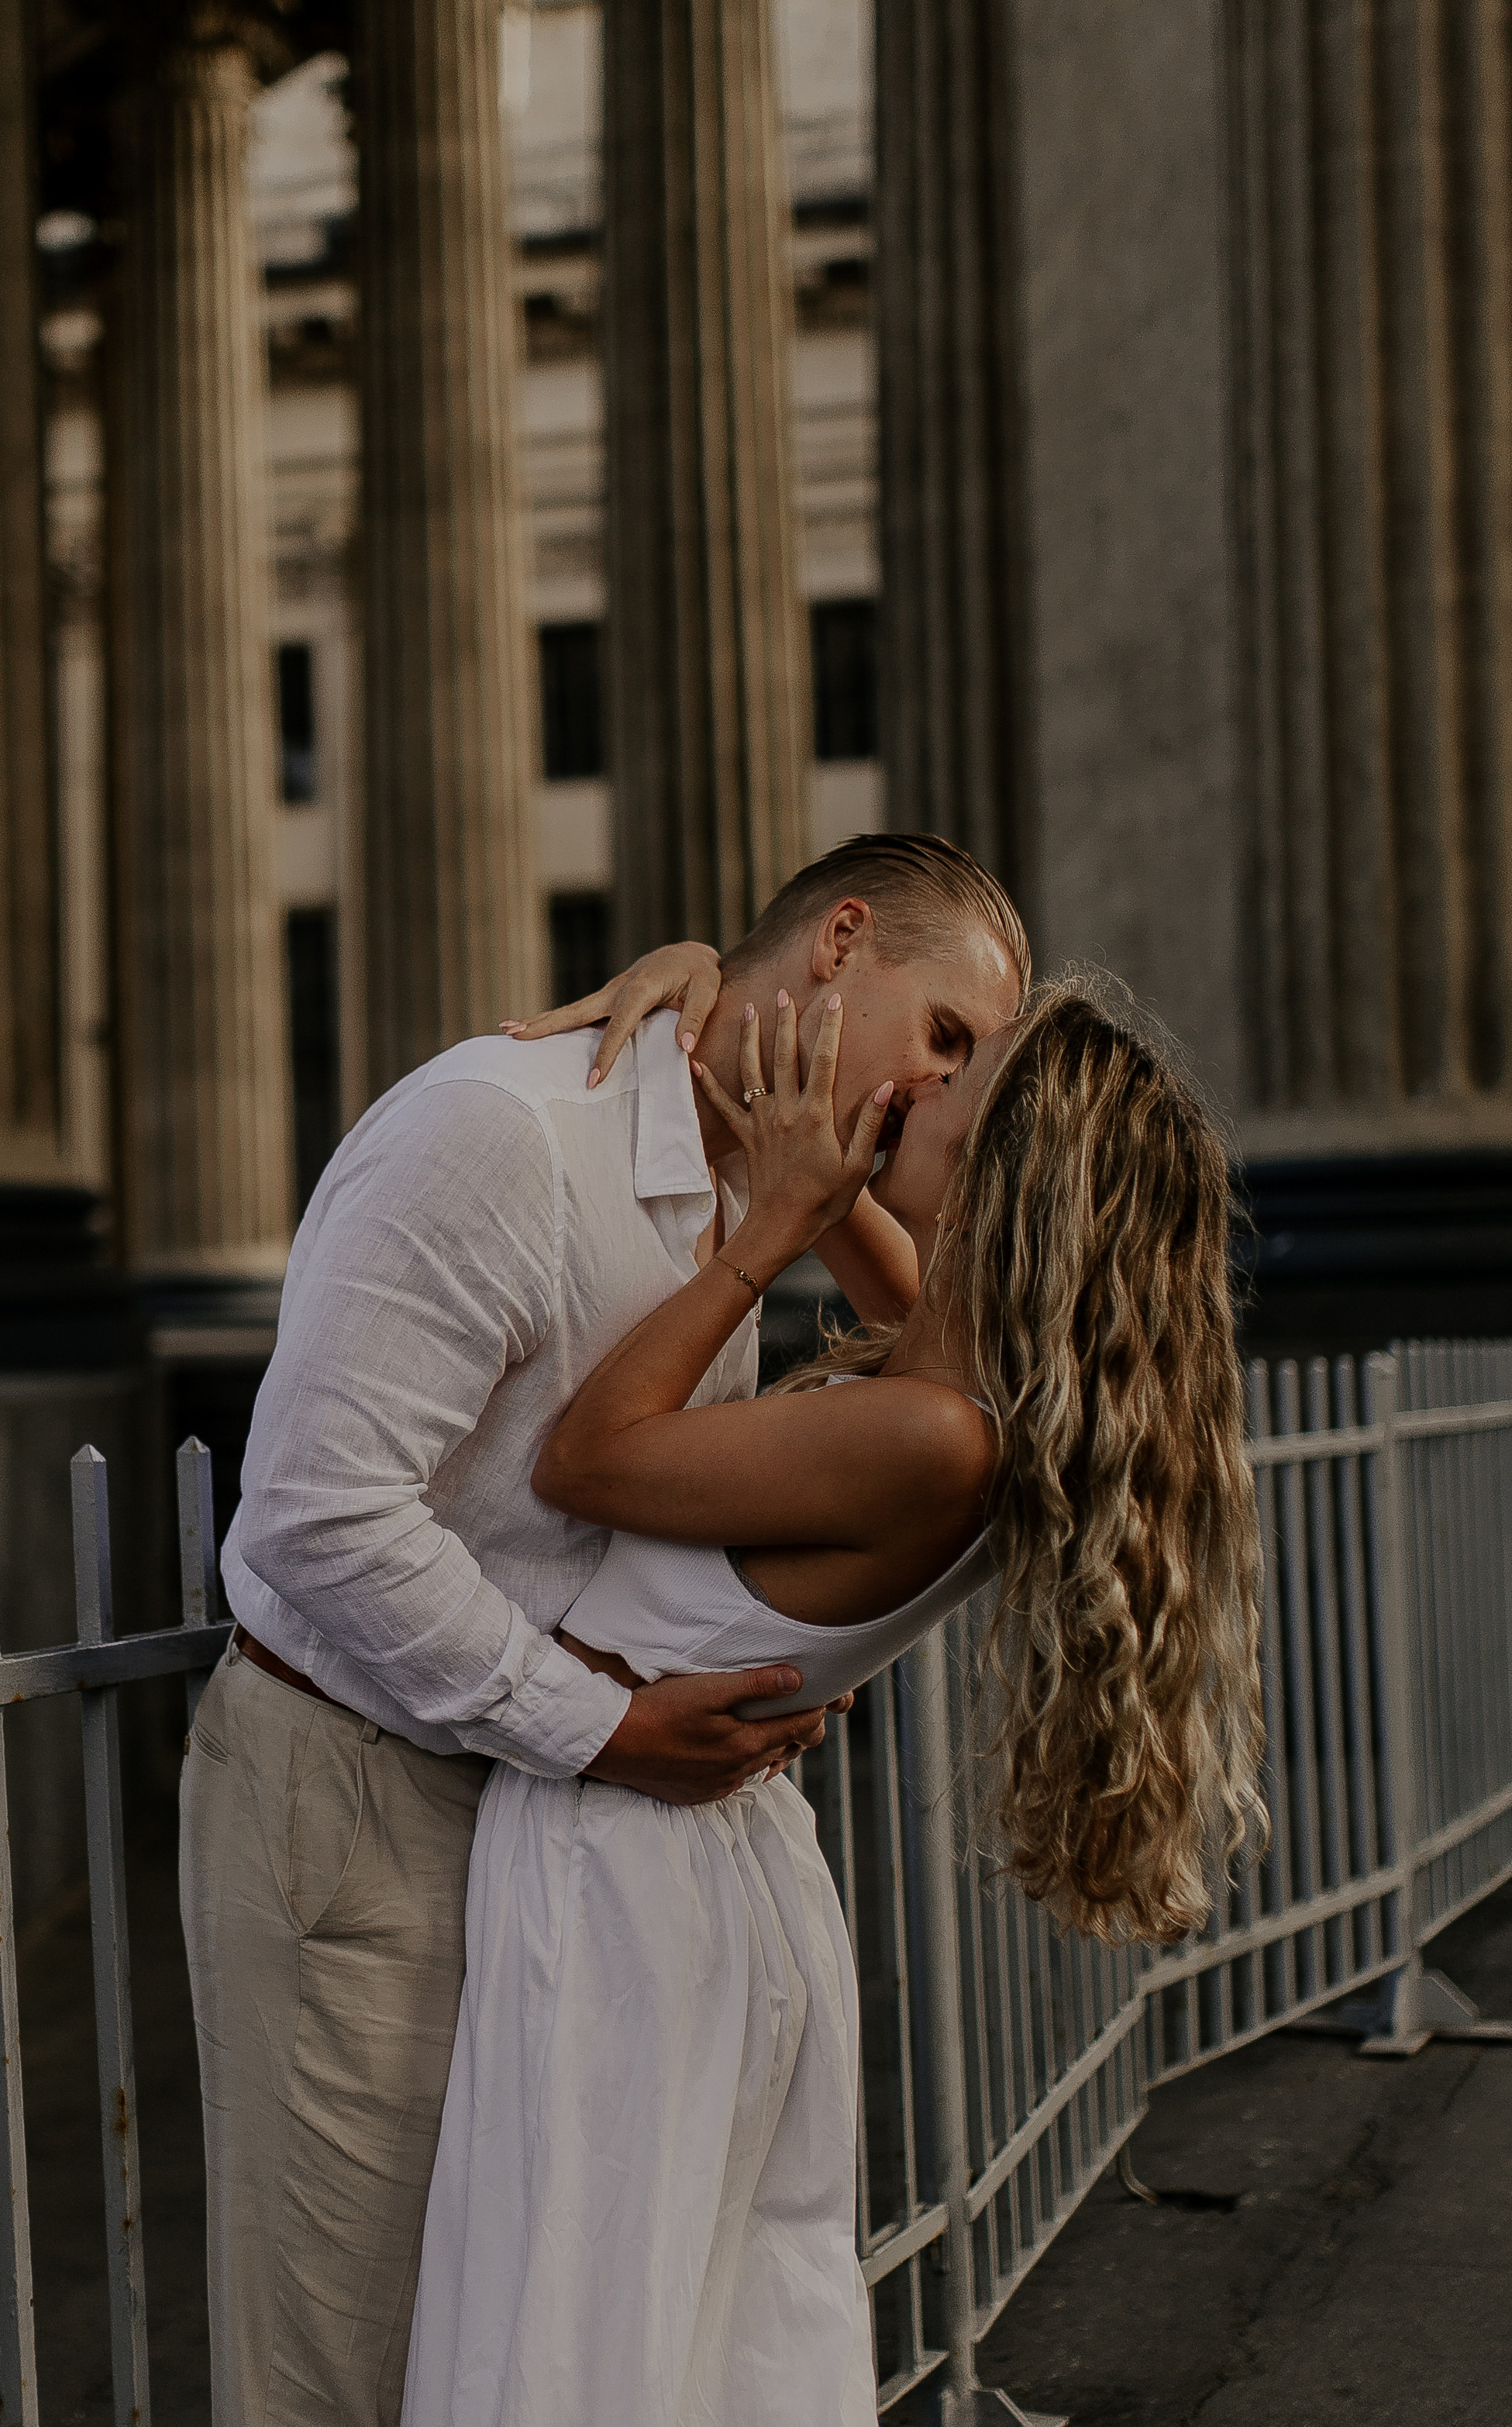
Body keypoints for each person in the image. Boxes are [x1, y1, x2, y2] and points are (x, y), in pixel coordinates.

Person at [179, 836, 1029, 2427]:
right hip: (368, 1795)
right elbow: (314, 1512)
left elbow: (940, 1347)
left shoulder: (746, 1167)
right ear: (840, 941)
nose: (953, 1091)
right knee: (342, 2374)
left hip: (547, 1823)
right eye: (947, 1038)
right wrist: (610, 1724)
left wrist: (739, 1040)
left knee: (507, 2359)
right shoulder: (496, 1137)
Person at [401, 974, 1267, 2427]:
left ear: (1008, 1184)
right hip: (687, 1868)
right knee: (680, 2333)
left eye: (959, 1075)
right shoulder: (965, 1373)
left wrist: (768, 1232)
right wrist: (723, 996)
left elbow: (585, 1460)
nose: (917, 1082)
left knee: (587, 2339)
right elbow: (870, 1233)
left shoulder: (933, 1438)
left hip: (626, 1880)